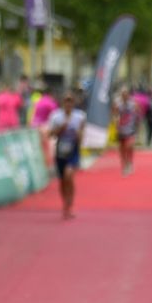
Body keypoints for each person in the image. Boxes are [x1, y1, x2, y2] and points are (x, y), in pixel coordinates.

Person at [48, 92, 86, 220]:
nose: (68, 104)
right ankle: (65, 203)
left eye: (71, 101)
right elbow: (50, 134)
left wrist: (78, 136)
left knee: (68, 175)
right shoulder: (56, 117)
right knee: (62, 180)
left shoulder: (79, 117)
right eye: (66, 101)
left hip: (73, 150)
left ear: (73, 103)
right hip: (60, 151)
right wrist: (60, 129)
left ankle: (70, 203)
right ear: (62, 103)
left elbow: (82, 136)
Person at [113, 88, 139, 176]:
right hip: (121, 130)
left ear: (128, 95)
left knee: (129, 146)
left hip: (131, 130)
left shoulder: (133, 104)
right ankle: (124, 165)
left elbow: (138, 114)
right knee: (122, 150)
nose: (124, 95)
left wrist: (137, 125)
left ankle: (130, 162)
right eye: (123, 94)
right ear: (121, 95)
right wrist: (116, 121)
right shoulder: (118, 105)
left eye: (126, 94)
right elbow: (114, 115)